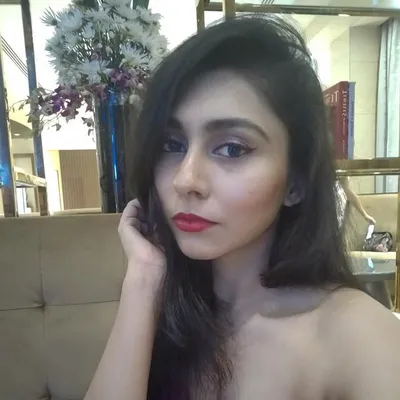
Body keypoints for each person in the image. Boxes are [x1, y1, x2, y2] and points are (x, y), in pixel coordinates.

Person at [84, 15, 400, 400]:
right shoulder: (170, 311)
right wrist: (143, 279)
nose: (185, 180)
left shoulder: (359, 336)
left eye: (232, 149)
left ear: (296, 182)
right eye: (172, 145)